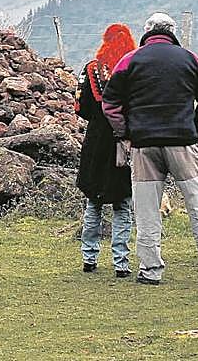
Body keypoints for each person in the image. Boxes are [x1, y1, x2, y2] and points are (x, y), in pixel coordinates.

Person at [101, 12, 198, 286]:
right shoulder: (190, 58)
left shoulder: (129, 61)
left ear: (147, 31)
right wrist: (196, 130)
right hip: (182, 143)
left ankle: (150, 269)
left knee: (146, 210)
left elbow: (110, 105)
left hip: (144, 146)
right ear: (172, 31)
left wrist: (126, 133)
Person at [75, 23, 137, 277]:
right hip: (125, 140)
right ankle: (121, 262)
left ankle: (89, 258)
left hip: (97, 141)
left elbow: (81, 108)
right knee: (123, 202)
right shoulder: (134, 69)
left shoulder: (91, 69)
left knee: (94, 201)